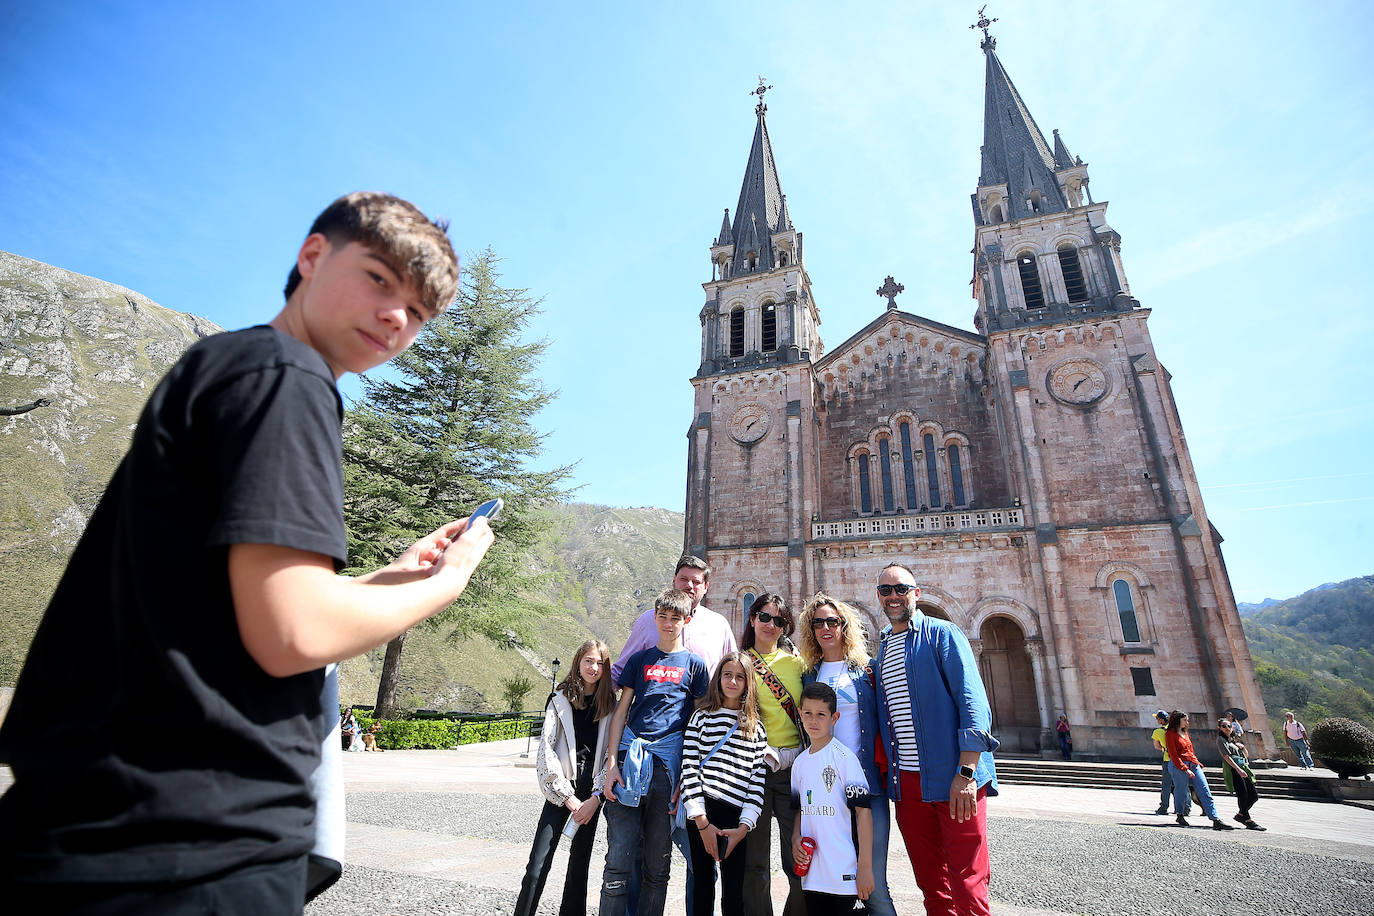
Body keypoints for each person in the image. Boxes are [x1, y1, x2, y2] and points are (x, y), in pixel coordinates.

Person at [0, 192, 496, 913]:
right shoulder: (288, 380)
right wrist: (445, 583)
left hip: (102, 824)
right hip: (184, 842)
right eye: (381, 279)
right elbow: (292, 635)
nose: (397, 316)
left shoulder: (229, 365)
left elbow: (235, 608)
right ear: (312, 257)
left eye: (419, 312)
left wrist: (390, 578)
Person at [610, 554, 737, 916]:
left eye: (697, 581)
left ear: (706, 587)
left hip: (705, 752)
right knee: (641, 849)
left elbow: (734, 675)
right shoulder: (647, 623)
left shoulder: (719, 625)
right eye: (684, 579)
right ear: (674, 580)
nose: (690, 585)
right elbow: (621, 676)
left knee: (700, 850)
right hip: (646, 754)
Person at [873, 562, 999, 916]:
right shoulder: (882, 648)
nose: (894, 596)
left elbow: (973, 703)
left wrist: (967, 772)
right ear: (879, 598)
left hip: (953, 777)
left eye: (901, 588)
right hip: (908, 784)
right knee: (931, 884)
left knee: (968, 881)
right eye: (886, 590)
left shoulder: (943, 633)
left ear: (916, 593)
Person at [600, 588, 710, 916]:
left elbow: (697, 724)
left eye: (675, 617)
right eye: (662, 616)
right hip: (629, 761)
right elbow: (621, 712)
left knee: (657, 865)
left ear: (686, 620)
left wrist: (685, 779)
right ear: (655, 617)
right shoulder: (640, 659)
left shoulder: (695, 665)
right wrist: (611, 765)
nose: (667, 623)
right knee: (618, 859)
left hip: (666, 767)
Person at [797, 593, 895, 916]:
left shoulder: (867, 670)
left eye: (832, 621)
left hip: (867, 786)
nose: (825, 628)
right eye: (818, 622)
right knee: (831, 889)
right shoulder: (809, 674)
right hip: (826, 796)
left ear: (844, 625)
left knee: (873, 887)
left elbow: (886, 719)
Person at [516, 639, 616, 916]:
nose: (593, 667)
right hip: (563, 791)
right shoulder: (559, 699)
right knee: (537, 865)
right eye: (588, 661)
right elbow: (547, 750)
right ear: (578, 662)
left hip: (591, 796)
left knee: (579, 868)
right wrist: (567, 797)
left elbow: (611, 751)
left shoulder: (610, 705)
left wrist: (596, 798)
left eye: (599, 663)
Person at [681, 651, 771, 916]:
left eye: (739, 677)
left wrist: (744, 827)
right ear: (718, 678)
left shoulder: (756, 728)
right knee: (702, 885)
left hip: (736, 814)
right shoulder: (701, 718)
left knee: (734, 890)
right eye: (727, 675)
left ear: (748, 683)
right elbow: (689, 769)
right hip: (703, 810)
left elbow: (757, 781)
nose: (732, 682)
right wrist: (702, 822)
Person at [738, 592, 807, 916]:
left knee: (798, 858)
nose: (770, 625)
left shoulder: (797, 664)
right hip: (755, 770)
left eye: (778, 620)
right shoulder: (739, 664)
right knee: (755, 862)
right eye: (764, 617)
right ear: (752, 618)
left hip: (794, 769)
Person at [789, 682, 874, 916]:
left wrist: (865, 866)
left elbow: (863, 813)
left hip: (845, 875)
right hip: (813, 877)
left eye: (821, 715)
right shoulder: (799, 764)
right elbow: (799, 810)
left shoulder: (845, 759)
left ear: (834, 718)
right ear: (800, 713)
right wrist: (796, 839)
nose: (813, 721)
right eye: (808, 713)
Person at [1164, 711, 1235, 831]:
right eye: (1185, 720)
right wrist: (1184, 769)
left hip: (1193, 764)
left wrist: (1197, 763)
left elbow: (1190, 750)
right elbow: (1173, 754)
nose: (1187, 722)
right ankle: (1180, 815)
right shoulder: (1170, 734)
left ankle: (1215, 819)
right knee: (1181, 791)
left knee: (1204, 789)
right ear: (1177, 720)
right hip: (1179, 765)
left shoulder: (1185, 733)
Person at [1215, 718, 1265, 831]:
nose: (1227, 728)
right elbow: (1226, 756)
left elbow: (1245, 756)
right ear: (1220, 728)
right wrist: (1238, 769)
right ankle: (1247, 819)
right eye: (1224, 726)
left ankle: (1241, 815)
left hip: (1243, 767)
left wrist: (1242, 747)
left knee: (1253, 795)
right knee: (1242, 794)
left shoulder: (1233, 740)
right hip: (1234, 769)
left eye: (1229, 726)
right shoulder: (1221, 740)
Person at [1150, 710, 1176, 815]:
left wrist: (1164, 748)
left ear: (1161, 720)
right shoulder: (1175, 729)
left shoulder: (1158, 732)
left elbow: (1157, 746)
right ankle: (1185, 808)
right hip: (1179, 759)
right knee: (1181, 785)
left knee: (1166, 785)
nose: (1156, 720)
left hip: (1167, 759)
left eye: (1157, 718)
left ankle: (1164, 807)